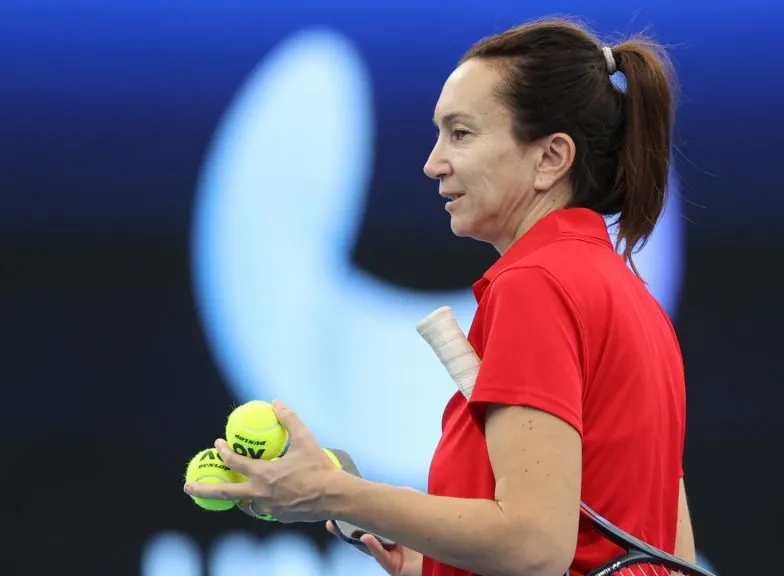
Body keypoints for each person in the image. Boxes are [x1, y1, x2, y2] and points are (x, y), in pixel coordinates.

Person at [184, 16, 694, 576]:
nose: (433, 162)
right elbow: (671, 556)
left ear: (551, 157)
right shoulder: (633, 298)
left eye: (461, 133)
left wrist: (330, 494)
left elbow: (534, 547)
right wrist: (436, 564)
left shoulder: (537, 286)